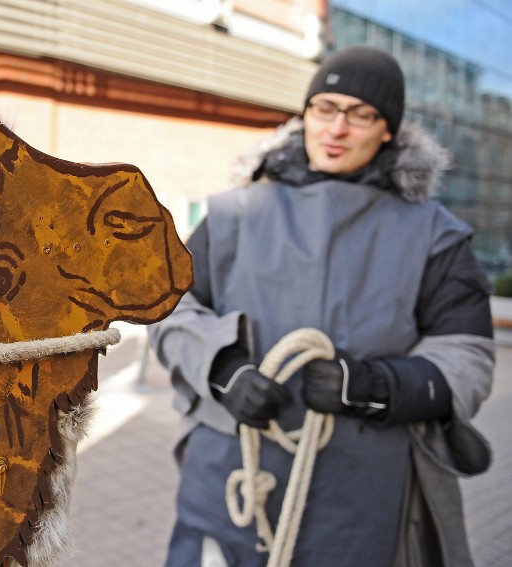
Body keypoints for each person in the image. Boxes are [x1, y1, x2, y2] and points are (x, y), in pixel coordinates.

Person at [148, 45, 495, 567]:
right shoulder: (233, 214)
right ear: (305, 115)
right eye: (325, 108)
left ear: (388, 130)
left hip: (365, 494)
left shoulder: (435, 236)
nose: (336, 129)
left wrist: (376, 385)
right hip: (233, 481)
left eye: (361, 114)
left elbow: (467, 357)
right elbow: (168, 306)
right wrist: (221, 368)